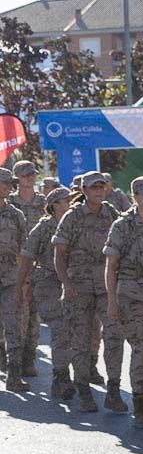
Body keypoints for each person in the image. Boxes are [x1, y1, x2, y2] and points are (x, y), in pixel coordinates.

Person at [53, 171, 124, 412]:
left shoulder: (111, 213)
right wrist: (66, 283)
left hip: (106, 288)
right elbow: (59, 254)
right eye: (93, 187)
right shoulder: (72, 217)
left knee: (114, 336)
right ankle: (83, 390)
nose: (98, 191)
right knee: (81, 341)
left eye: (101, 187)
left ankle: (114, 390)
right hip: (79, 288)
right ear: (83, 190)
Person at [103, 176, 143, 429]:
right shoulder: (122, 225)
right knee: (141, 350)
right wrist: (111, 300)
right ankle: (140, 405)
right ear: (135, 197)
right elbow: (111, 267)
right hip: (131, 294)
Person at [17, 187, 72, 399]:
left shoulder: (76, 224)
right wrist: (20, 288)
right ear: (54, 205)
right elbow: (26, 258)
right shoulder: (43, 228)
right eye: (65, 200)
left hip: (74, 284)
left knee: (79, 333)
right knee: (60, 329)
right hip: (48, 284)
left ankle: (81, 376)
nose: (69, 203)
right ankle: (61, 378)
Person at [9, 160, 45, 382]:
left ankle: (30, 356)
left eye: (32, 174)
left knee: (35, 315)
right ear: (17, 179)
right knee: (18, 313)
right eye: (25, 174)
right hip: (16, 265)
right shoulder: (10, 204)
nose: (30, 178)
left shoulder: (43, 202)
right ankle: (16, 357)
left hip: (39, 264)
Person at [0, 168, 29, 392]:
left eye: (10, 183)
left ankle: (14, 375)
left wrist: (24, 279)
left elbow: (23, 249)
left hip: (10, 277)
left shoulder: (16, 214)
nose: (9, 187)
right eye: (5, 183)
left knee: (14, 326)